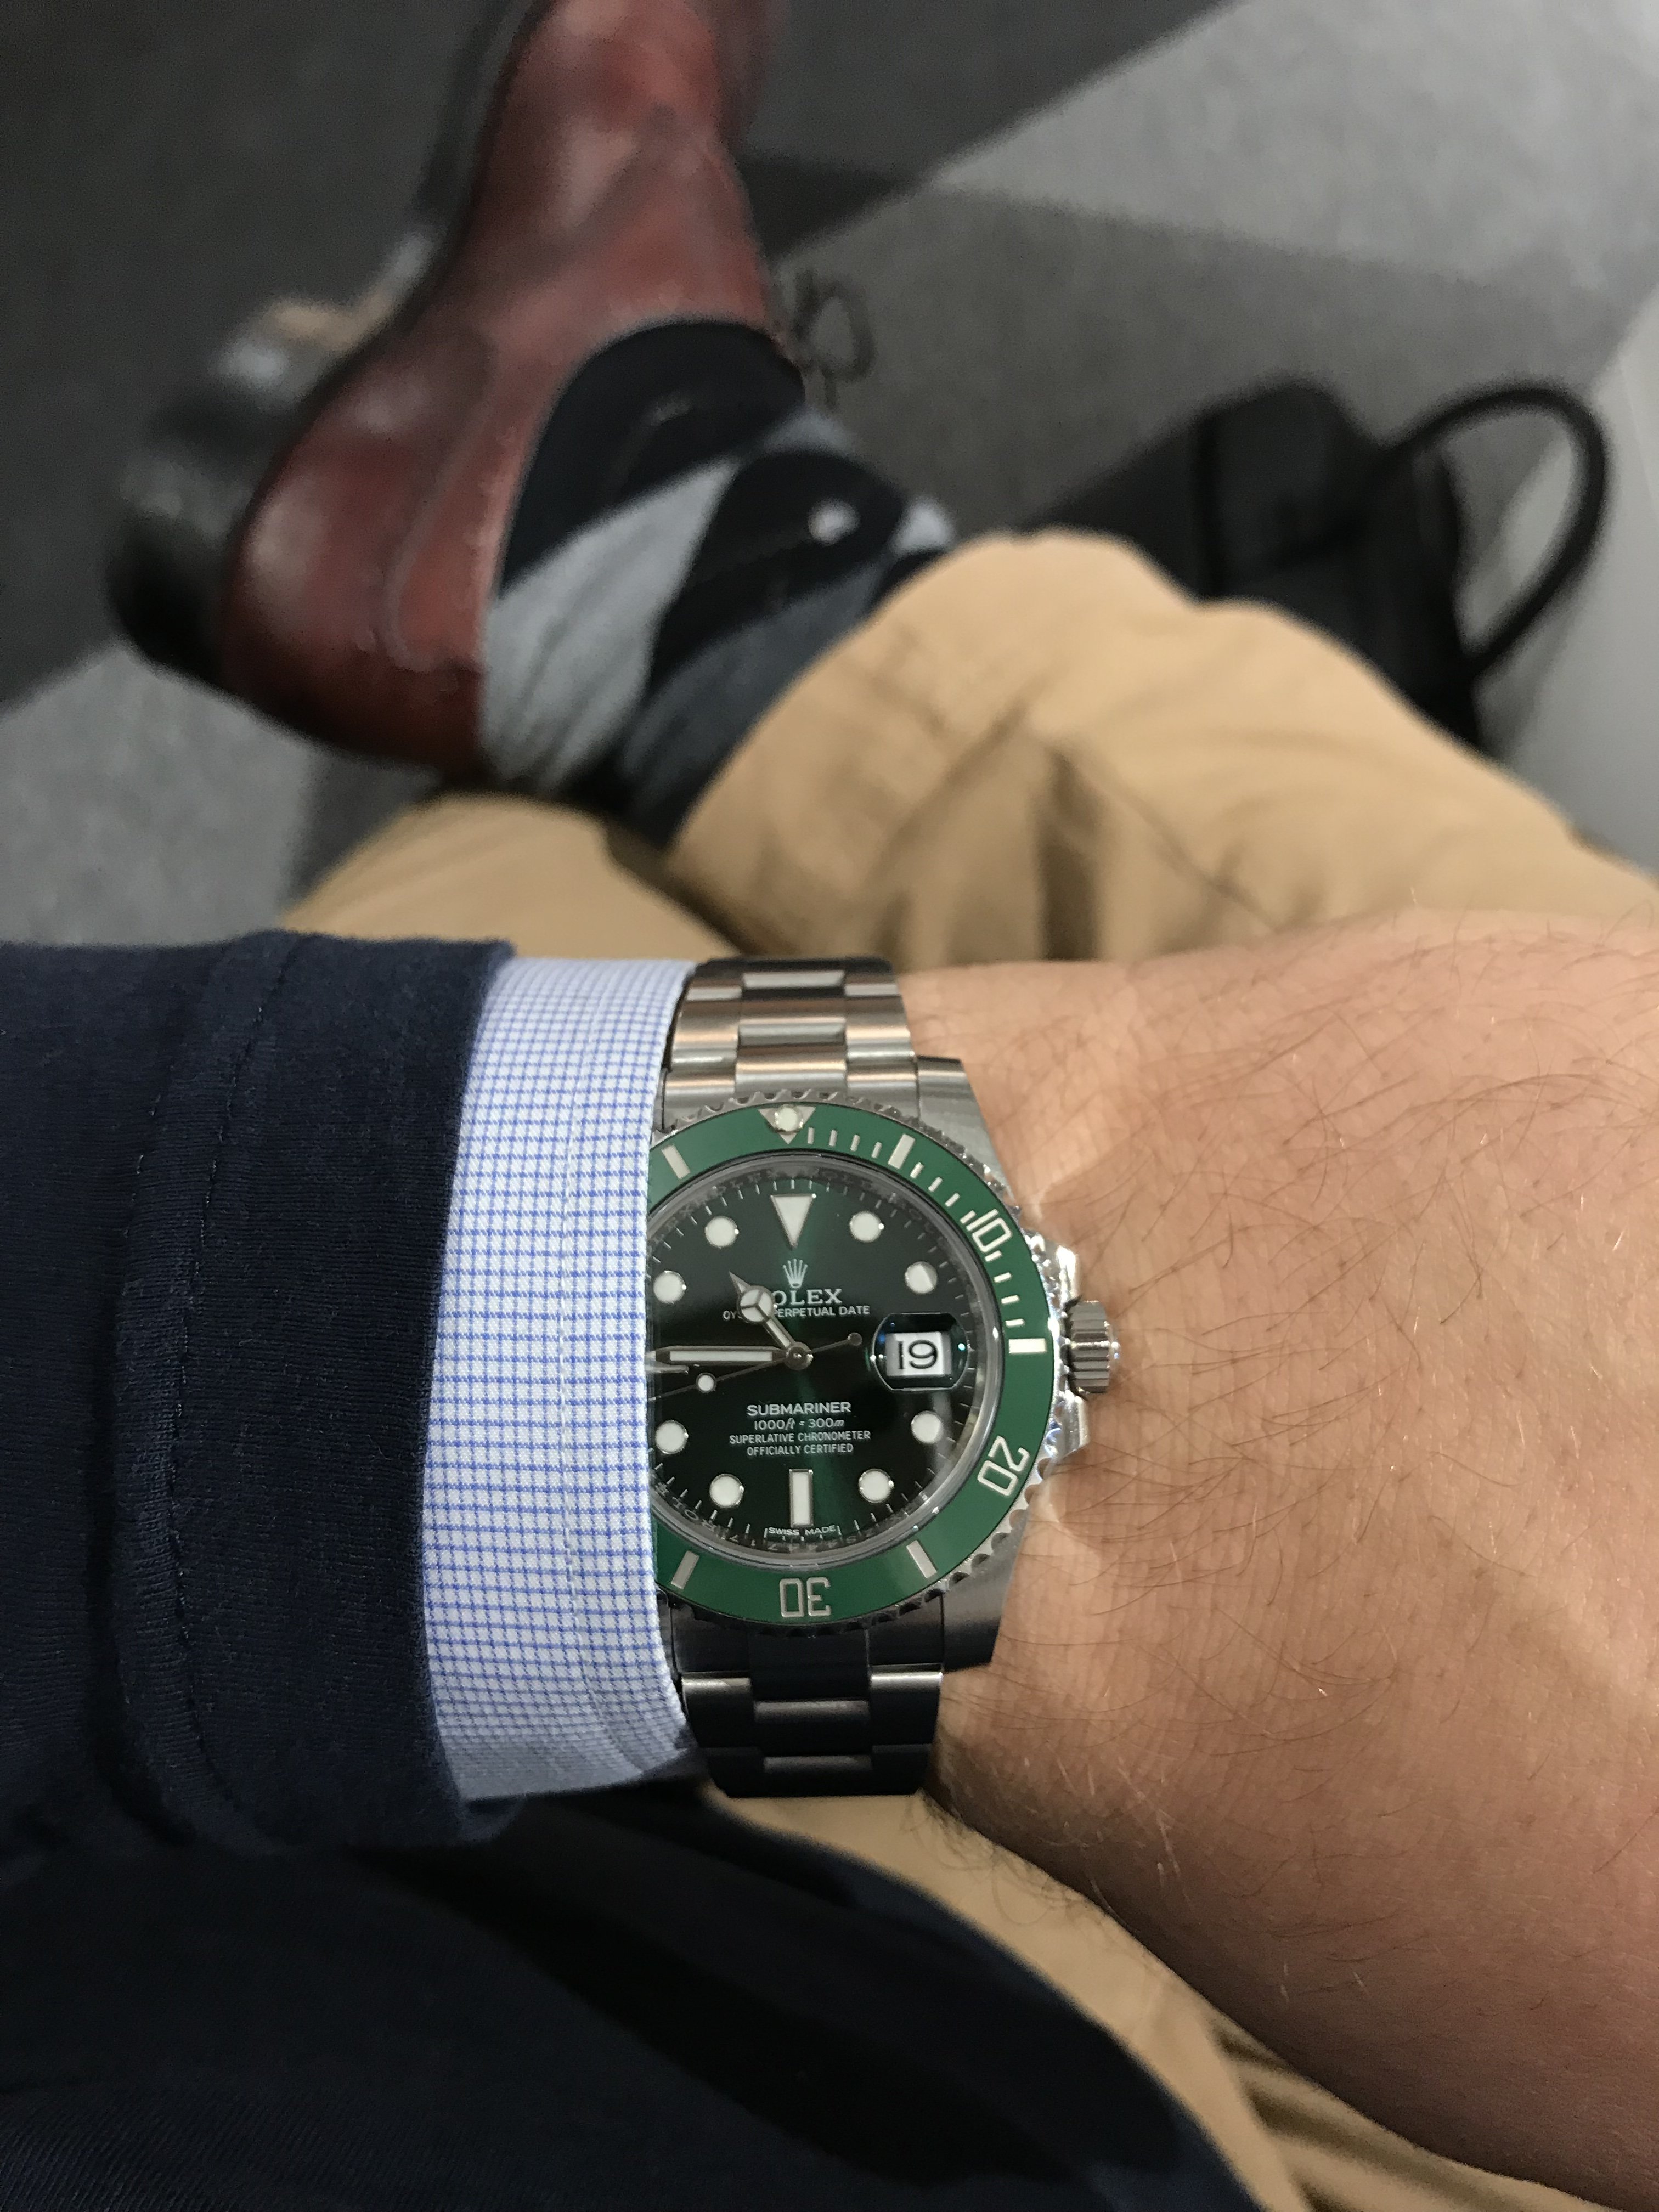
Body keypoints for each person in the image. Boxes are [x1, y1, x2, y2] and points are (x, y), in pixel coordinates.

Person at [3, 0, 1656, 2205]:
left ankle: (659, 566)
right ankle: (662, 576)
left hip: (722, 2009)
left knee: (581, 913)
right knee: (1546, 1050)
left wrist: (460, 1325)